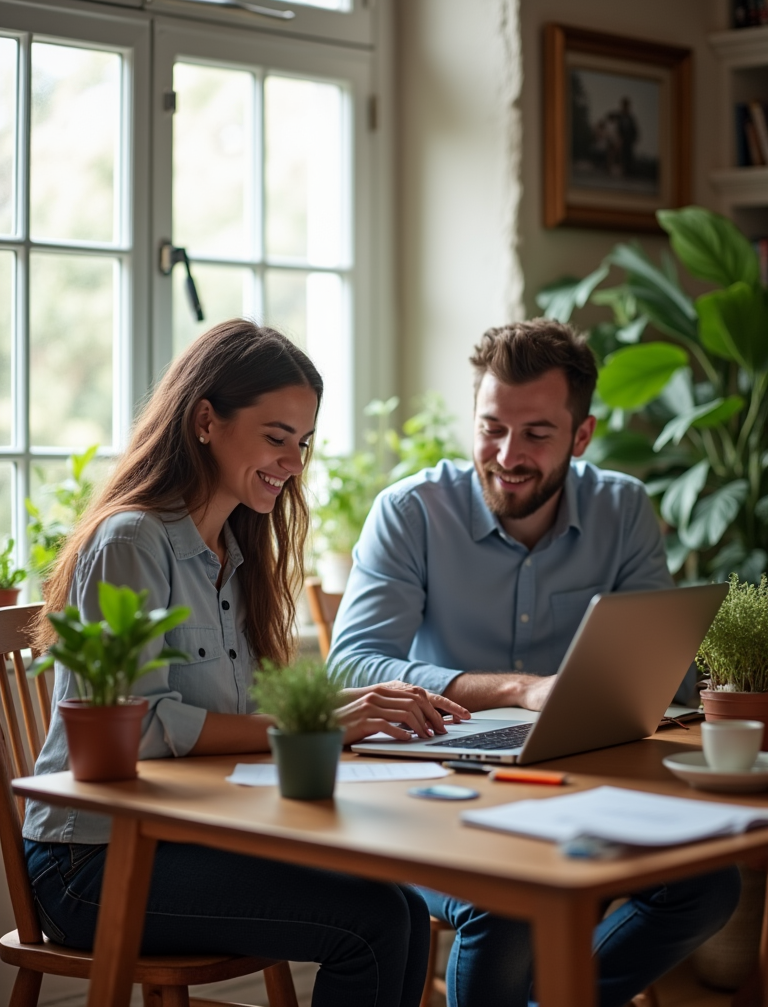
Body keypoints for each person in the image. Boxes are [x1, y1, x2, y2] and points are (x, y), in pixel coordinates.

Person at [23, 319, 469, 1007]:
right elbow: (141, 729)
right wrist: (320, 727)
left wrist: (342, 719)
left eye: (304, 443)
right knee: (374, 923)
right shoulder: (133, 541)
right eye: (275, 437)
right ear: (206, 420)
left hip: (182, 839)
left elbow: (242, 724)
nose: (293, 463)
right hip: (90, 863)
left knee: (402, 907)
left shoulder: (240, 553)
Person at [328, 319, 741, 1007]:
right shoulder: (411, 511)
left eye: (536, 435)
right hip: (431, 795)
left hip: (574, 787)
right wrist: (518, 691)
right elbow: (348, 668)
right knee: (509, 903)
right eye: (491, 427)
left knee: (705, 887)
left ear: (581, 437)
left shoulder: (623, 509)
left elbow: (664, 679)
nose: (506, 454)